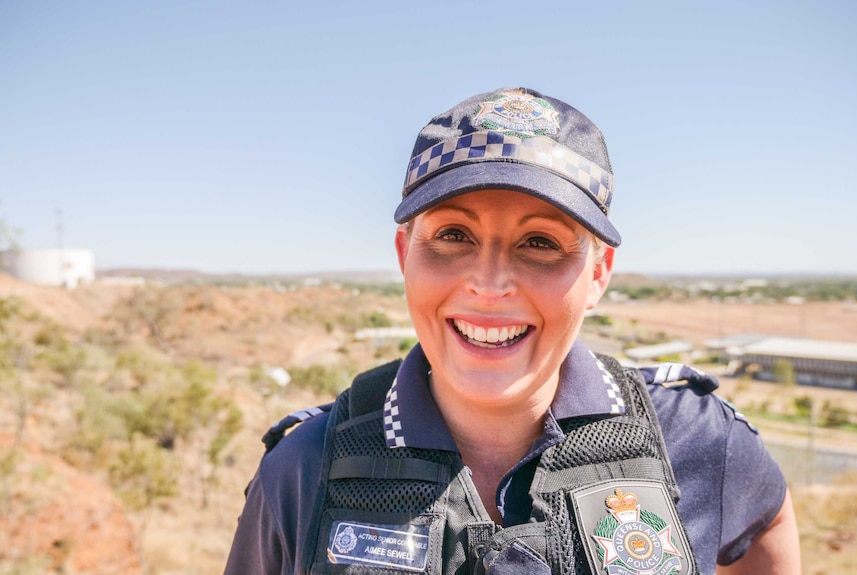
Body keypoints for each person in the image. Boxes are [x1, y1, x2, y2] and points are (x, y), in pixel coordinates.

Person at [224, 87, 800, 575]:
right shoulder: (305, 469)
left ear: (597, 274)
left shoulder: (695, 440)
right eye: (453, 235)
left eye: (541, 243)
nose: (490, 284)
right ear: (406, 254)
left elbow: (766, 513)